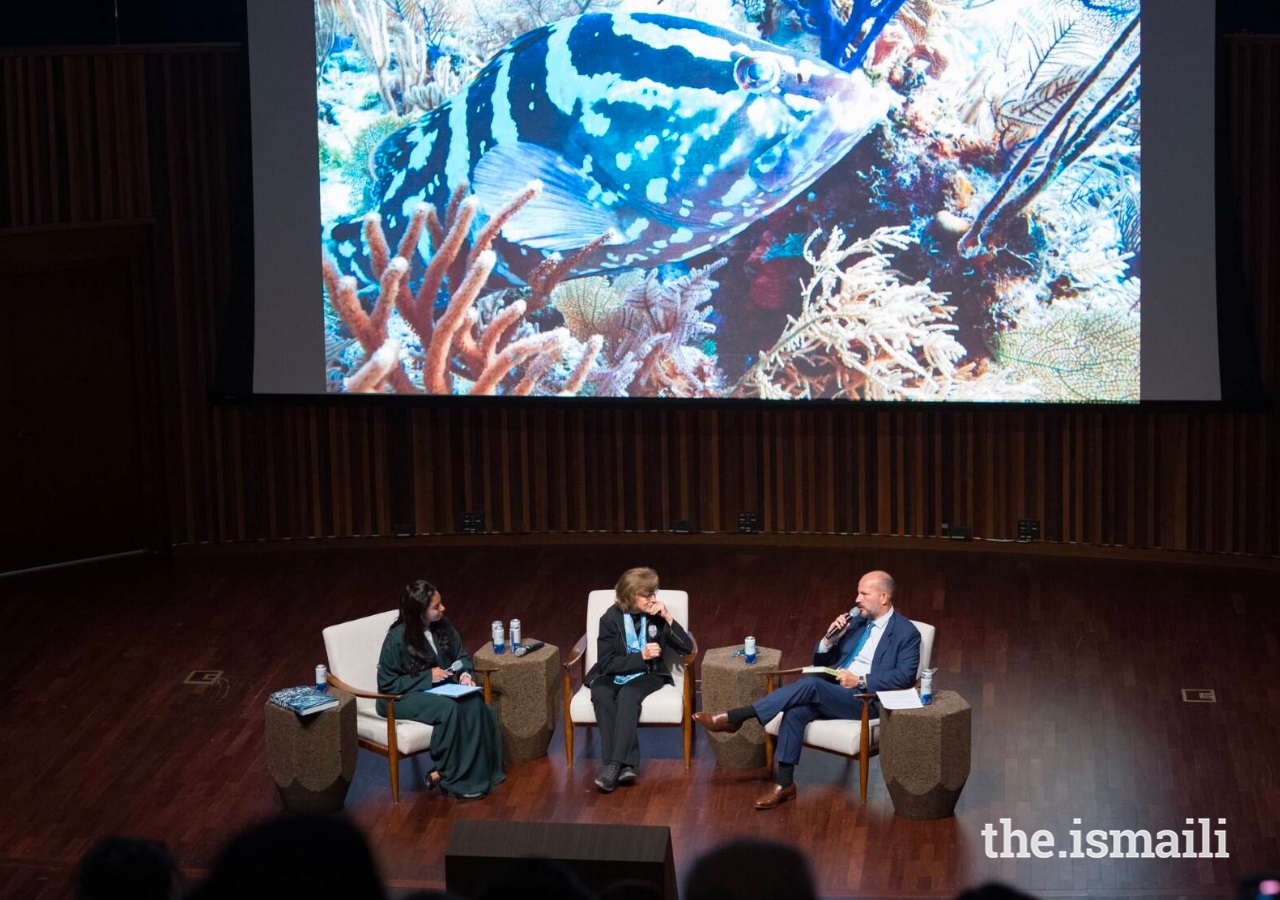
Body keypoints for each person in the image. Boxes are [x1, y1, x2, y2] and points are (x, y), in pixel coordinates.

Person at [694, 570, 920, 809]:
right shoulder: (856, 623)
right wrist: (829, 639)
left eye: (864, 593)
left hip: (866, 700)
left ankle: (738, 716)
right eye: (857, 592)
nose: (857, 599)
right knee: (797, 709)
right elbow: (822, 661)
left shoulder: (906, 633)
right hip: (835, 689)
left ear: (883, 598)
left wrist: (861, 680)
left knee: (811, 685)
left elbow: (904, 677)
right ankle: (785, 784)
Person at [376, 579, 505, 798]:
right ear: (419, 612)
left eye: (440, 603)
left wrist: (465, 674)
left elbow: (461, 656)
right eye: (436, 607)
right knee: (449, 709)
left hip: (438, 689)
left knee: (476, 702)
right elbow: (387, 685)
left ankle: (471, 776)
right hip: (399, 698)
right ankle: (453, 777)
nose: (443, 609)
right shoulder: (396, 640)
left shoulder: (443, 626)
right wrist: (428, 677)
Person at [586, 566, 693, 793]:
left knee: (627, 694)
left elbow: (686, 647)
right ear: (631, 595)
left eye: (655, 593)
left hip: (649, 673)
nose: (653, 599)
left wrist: (668, 617)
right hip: (615, 672)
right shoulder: (610, 619)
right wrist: (640, 656)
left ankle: (612, 766)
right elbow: (606, 664)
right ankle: (625, 766)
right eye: (648, 595)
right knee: (601, 693)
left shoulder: (656, 616)